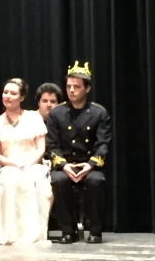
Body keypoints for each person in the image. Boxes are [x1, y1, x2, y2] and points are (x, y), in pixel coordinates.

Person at [46, 62, 111, 244]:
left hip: (88, 163)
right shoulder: (56, 113)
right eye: (68, 87)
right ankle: (68, 230)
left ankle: (95, 231)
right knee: (59, 180)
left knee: (95, 181)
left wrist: (90, 165)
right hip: (65, 163)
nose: (71, 90)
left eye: (76, 87)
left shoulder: (99, 113)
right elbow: (52, 145)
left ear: (87, 88)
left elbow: (102, 144)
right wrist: (64, 165)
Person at [0, 78, 52, 245]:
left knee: (35, 178)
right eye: (5, 92)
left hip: (33, 163)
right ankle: (11, 232)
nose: (8, 96)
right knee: (9, 178)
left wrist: (29, 163)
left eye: (13, 93)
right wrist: (12, 164)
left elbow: (40, 148)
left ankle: (33, 233)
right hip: (8, 165)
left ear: (22, 97)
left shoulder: (33, 117)